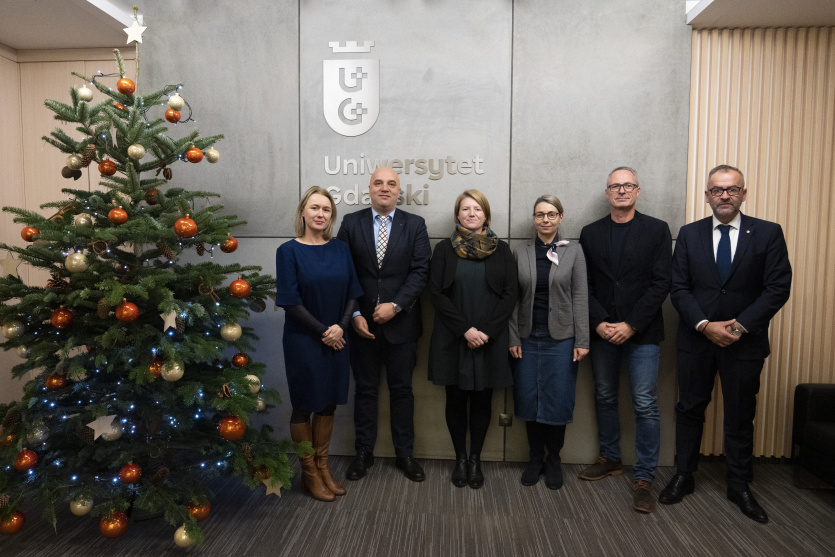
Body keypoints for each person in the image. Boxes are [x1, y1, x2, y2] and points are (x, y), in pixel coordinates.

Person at [661, 165, 792, 523]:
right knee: (689, 410)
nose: (724, 195)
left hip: (744, 344)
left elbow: (777, 287)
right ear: (707, 195)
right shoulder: (689, 234)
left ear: (743, 194)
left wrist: (738, 326)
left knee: (739, 415)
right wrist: (704, 325)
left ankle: (739, 484)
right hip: (696, 340)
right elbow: (678, 288)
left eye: (732, 189)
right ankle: (684, 475)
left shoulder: (767, 233)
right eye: (717, 190)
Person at [577, 167, 672, 513]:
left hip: (642, 332)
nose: (621, 190)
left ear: (637, 191)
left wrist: (631, 324)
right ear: (607, 193)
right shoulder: (590, 233)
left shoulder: (657, 230)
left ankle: (644, 477)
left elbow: (662, 283)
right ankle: (610, 458)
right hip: (603, 332)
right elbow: (583, 284)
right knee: (604, 395)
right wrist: (600, 322)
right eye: (615, 186)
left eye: (627, 185)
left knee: (645, 402)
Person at [336, 167, 431, 482]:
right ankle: (363, 452)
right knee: (365, 390)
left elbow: (420, 271)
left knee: (402, 391)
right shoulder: (351, 223)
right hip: (361, 325)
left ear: (398, 191)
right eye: (378, 183)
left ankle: (405, 454)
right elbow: (343, 271)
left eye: (391, 183)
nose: (385, 188)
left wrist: (396, 305)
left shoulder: (415, 225)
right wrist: (354, 315)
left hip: (402, 325)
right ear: (370, 189)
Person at [275, 186, 362, 502]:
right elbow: (289, 300)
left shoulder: (340, 249)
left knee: (328, 403)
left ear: (331, 215)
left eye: (326, 209)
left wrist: (341, 327)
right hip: (304, 339)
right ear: (303, 212)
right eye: (314, 208)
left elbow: (353, 292)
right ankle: (309, 473)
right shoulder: (288, 251)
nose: (320, 214)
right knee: (304, 403)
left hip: (338, 338)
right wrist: (326, 331)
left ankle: (323, 468)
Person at [428, 189, 517, 489]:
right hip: (453, 336)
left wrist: (486, 331)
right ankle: (460, 459)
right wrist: (465, 330)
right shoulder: (444, 249)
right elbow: (436, 293)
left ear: (486, 215)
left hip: (490, 338)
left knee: (482, 400)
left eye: (477, 209)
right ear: (457, 215)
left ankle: (476, 459)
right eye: (466, 209)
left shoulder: (502, 250)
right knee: (455, 399)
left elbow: (510, 295)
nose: (471, 214)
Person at [509, 195, 589, 490]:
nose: (546, 219)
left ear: (560, 217)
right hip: (527, 337)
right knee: (528, 397)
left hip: (562, 339)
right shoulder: (520, 251)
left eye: (551, 214)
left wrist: (582, 339)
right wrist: (512, 336)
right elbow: (512, 298)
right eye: (540, 214)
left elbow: (580, 296)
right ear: (533, 218)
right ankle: (535, 459)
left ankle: (554, 459)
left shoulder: (574, 251)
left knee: (557, 398)